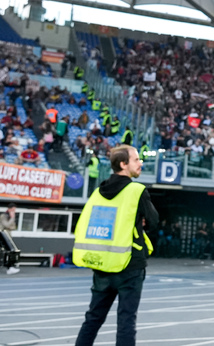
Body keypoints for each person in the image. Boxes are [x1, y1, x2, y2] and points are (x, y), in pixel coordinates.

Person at [73, 145, 158, 345]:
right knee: (126, 321)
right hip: (129, 264)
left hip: (102, 264)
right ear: (123, 164)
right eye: (136, 160)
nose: (141, 163)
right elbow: (153, 222)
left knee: (93, 319)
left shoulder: (98, 192)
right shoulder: (136, 190)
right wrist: (141, 220)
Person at [0, 203, 20, 274]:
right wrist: (12, 218)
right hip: (2, 235)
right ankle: (10, 268)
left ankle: (10, 267)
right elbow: (7, 225)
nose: (14, 211)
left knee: (9, 252)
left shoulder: (9, 216)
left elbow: (13, 227)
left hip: (7, 235)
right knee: (10, 251)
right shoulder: (4, 216)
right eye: (13, 210)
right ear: (9, 209)